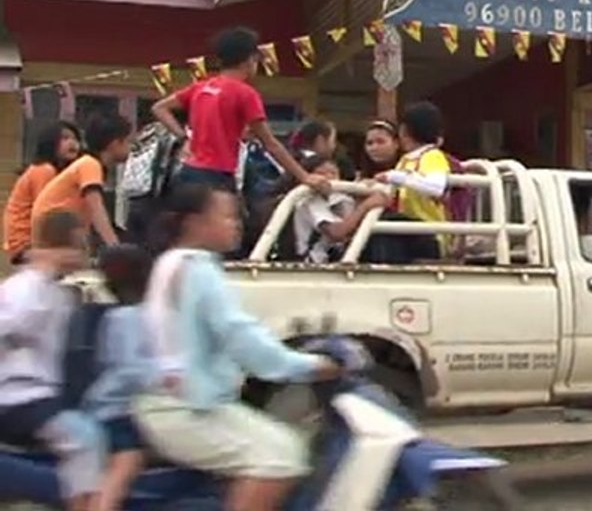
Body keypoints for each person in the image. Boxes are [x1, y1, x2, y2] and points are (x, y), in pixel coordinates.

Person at [132, 183, 341, 511]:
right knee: (281, 455)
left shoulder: (170, 262)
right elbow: (240, 336)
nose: (236, 223)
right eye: (227, 216)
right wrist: (310, 365)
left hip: (172, 401)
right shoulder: (199, 269)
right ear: (195, 223)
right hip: (184, 409)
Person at [0, 210, 104, 511]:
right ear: (63, 247)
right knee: (84, 440)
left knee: (87, 439)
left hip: (39, 396)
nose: (83, 255)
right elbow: (10, 323)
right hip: (19, 395)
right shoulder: (26, 286)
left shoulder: (54, 290)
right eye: (79, 246)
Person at [151, 26, 328, 195]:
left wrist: (184, 138)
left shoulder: (200, 87)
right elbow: (270, 143)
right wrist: (304, 177)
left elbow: (159, 108)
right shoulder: (245, 94)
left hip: (189, 172)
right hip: (217, 175)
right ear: (249, 60)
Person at [82, 244, 157, 511]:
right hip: (114, 409)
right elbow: (131, 368)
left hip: (123, 405)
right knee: (128, 459)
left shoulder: (125, 315)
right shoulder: (127, 318)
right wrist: (170, 376)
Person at [32, 114, 132, 248]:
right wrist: (115, 247)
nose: (131, 147)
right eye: (127, 141)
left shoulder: (89, 164)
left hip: (59, 231)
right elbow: (96, 208)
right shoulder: (90, 165)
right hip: (56, 232)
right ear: (115, 143)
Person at [4, 121, 82, 264]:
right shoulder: (44, 170)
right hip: (26, 242)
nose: (72, 143)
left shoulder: (56, 172)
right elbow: (46, 212)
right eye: (65, 138)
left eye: (75, 139)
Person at [293, 155, 391, 263]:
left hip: (344, 256)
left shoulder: (342, 198)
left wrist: (364, 192)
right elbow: (337, 233)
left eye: (333, 173)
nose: (328, 177)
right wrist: (365, 206)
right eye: (321, 173)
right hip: (316, 263)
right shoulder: (308, 201)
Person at [377, 102, 451, 226]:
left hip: (429, 233)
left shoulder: (432, 155)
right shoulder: (405, 160)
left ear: (405, 130)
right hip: (407, 229)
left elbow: (436, 187)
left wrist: (397, 177)